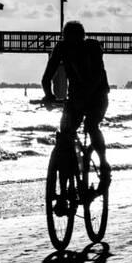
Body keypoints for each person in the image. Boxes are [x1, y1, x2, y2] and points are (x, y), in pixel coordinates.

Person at [41, 21, 111, 197]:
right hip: (76, 98)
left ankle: (104, 166)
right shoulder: (61, 48)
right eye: (68, 39)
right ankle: (64, 187)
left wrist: (84, 98)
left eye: (75, 40)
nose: (71, 44)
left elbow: (97, 77)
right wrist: (48, 95)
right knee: (65, 134)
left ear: (82, 38)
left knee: (92, 125)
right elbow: (46, 77)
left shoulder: (93, 48)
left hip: (98, 95)